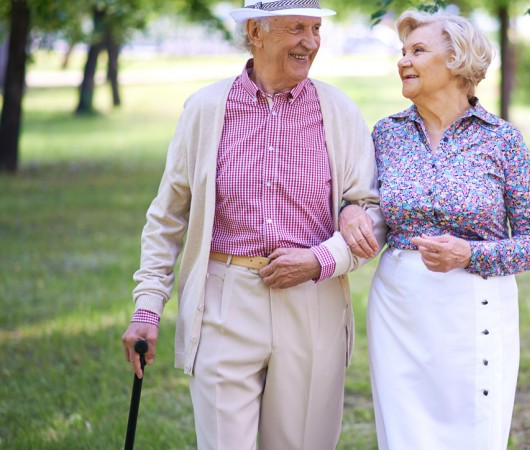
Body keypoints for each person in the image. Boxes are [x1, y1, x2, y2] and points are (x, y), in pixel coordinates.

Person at [120, 1, 385, 449]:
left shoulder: (339, 111)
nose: (311, 42)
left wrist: (323, 257)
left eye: (316, 28)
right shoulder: (205, 108)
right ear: (255, 33)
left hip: (313, 300)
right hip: (225, 296)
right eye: (297, 28)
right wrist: (148, 305)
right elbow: (167, 217)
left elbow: (374, 211)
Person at [340, 9, 530, 450]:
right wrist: (348, 209)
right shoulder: (386, 135)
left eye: (418, 50)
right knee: (404, 436)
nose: (403, 61)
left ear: (458, 61)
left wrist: (470, 255)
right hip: (399, 310)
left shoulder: (501, 140)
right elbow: (360, 201)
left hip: (475, 306)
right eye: (402, 51)